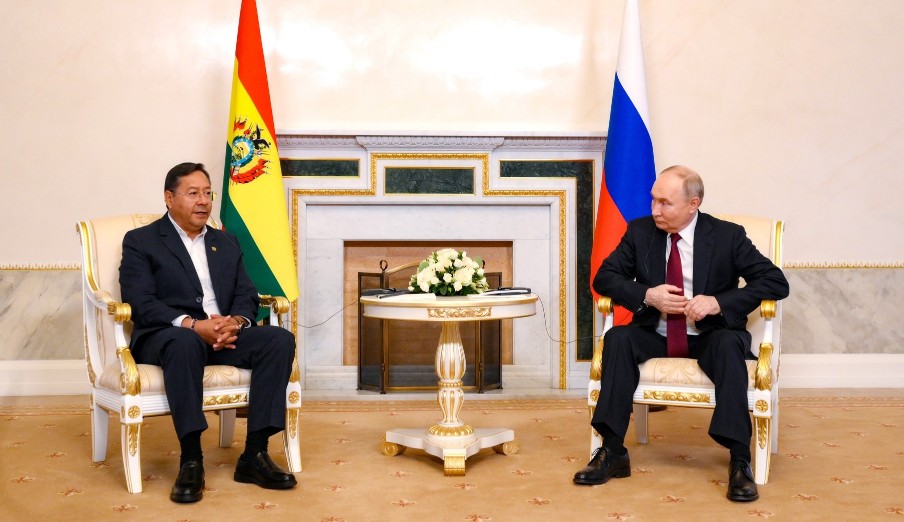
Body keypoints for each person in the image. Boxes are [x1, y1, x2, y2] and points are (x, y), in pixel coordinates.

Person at [574, 165, 789, 502]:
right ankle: (613, 450)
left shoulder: (727, 236)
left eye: (665, 203)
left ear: (693, 204)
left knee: (729, 345)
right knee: (617, 339)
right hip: (655, 332)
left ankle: (739, 460)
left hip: (710, 335)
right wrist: (648, 295)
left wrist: (718, 302)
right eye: (653, 200)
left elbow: (776, 282)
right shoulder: (640, 231)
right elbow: (605, 277)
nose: (655, 210)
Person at [119, 162, 297, 503]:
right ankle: (191, 459)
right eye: (193, 193)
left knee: (279, 340)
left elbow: (246, 294)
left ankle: (255, 454)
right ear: (169, 198)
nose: (203, 201)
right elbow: (140, 301)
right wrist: (191, 324)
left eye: (207, 193)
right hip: (168, 336)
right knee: (184, 342)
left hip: (222, 333)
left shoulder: (225, 241)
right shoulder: (142, 241)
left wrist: (236, 323)